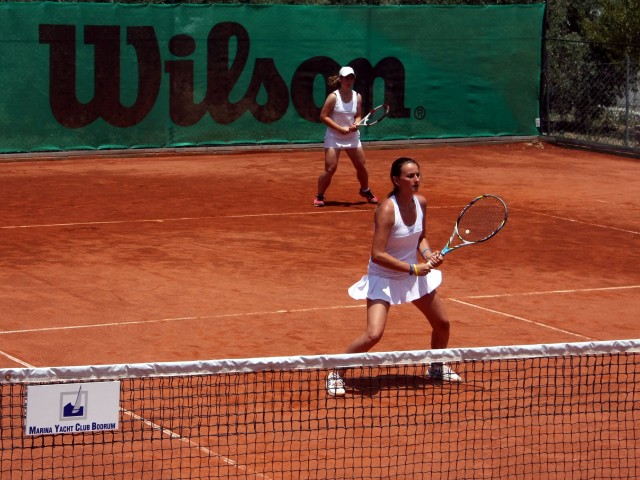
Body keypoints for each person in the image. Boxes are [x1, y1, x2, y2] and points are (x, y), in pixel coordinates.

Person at [327, 157, 462, 396]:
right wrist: (413, 268)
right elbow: (377, 254)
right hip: (384, 276)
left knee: (442, 324)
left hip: (411, 275)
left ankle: (436, 366)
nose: (416, 180)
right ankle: (336, 372)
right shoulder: (387, 209)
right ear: (396, 180)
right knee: (373, 334)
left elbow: (420, 237)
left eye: (418, 174)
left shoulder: (421, 202)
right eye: (410, 176)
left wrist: (428, 255)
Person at [314, 66, 378, 207]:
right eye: (346, 78)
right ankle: (319, 196)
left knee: (361, 166)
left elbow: (358, 115)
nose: (349, 81)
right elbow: (323, 116)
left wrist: (356, 124)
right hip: (333, 136)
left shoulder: (357, 96)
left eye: (351, 77)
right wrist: (339, 129)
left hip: (352, 137)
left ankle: (365, 190)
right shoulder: (333, 97)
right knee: (330, 168)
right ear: (340, 79)